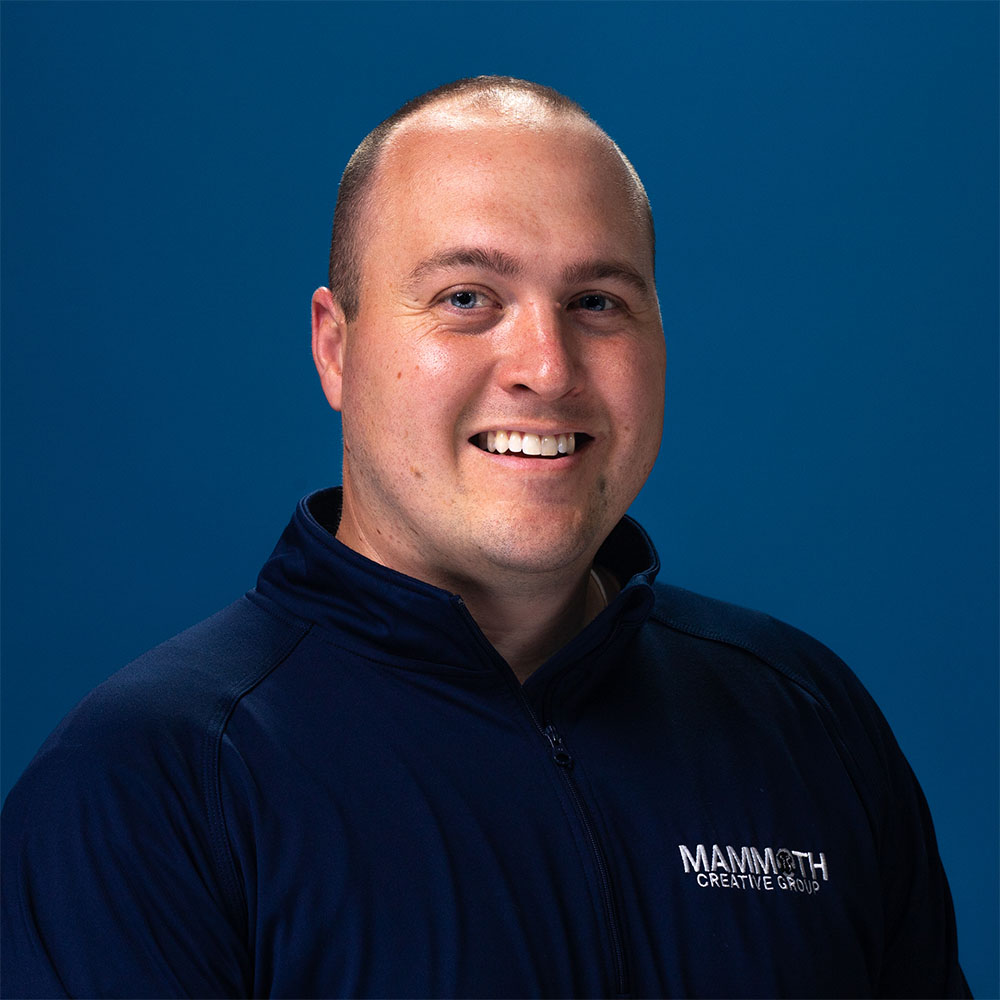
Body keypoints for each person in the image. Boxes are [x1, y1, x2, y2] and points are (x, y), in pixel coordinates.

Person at [1, 76, 969, 999]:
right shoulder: (150, 784)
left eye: (597, 302)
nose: (547, 367)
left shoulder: (804, 718)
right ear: (335, 346)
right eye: (466, 297)